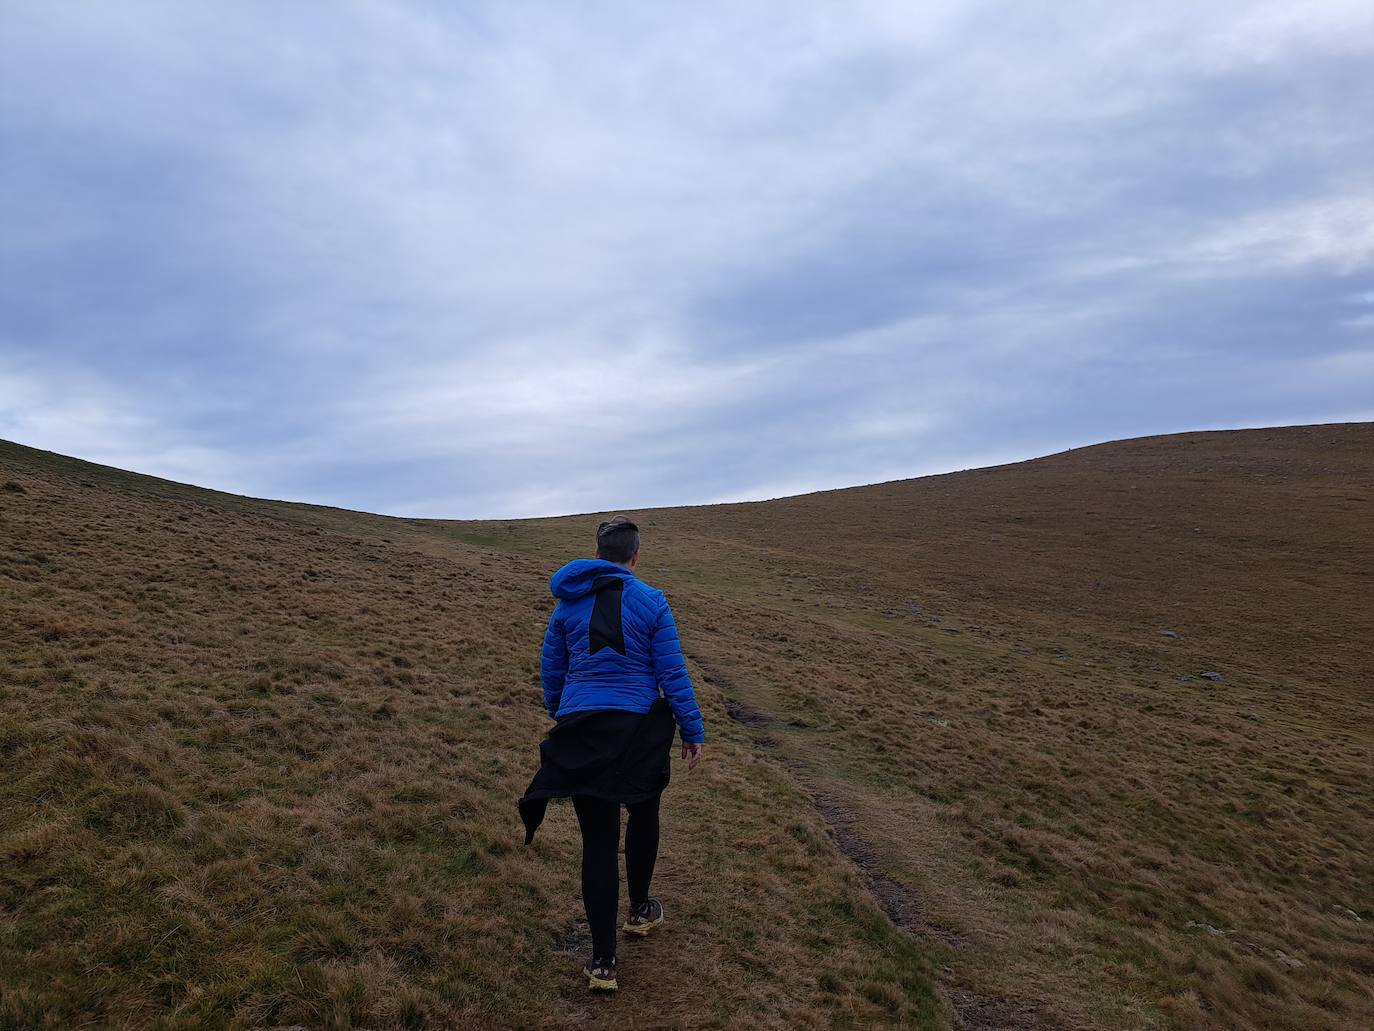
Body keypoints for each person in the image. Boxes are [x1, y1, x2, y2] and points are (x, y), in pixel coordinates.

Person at [518, 515, 706, 992]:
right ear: (636, 557)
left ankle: (603, 962)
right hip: (639, 729)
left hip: (584, 728)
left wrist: (565, 713)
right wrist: (691, 727)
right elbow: (672, 670)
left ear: (597, 555)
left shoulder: (568, 604)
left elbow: (551, 669)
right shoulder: (652, 601)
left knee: (598, 840)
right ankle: (640, 909)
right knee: (644, 812)